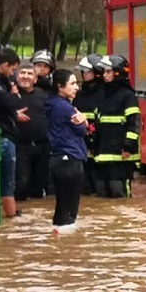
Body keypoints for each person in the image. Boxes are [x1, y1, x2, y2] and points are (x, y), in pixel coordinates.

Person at [45, 69, 88, 232]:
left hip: (58, 159)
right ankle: (67, 248)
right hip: (69, 159)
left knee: (62, 207)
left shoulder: (52, 104)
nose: (76, 87)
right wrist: (84, 119)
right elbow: (82, 130)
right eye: (72, 83)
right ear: (60, 87)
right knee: (69, 208)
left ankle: (59, 238)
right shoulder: (64, 107)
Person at [94, 55, 140, 198]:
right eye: (104, 72)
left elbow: (134, 123)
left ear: (118, 72)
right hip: (103, 153)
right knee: (101, 192)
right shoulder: (102, 94)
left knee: (118, 192)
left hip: (121, 156)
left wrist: (128, 147)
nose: (105, 75)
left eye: (108, 72)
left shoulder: (128, 96)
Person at [0, 47, 28, 218]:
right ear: (4, 65)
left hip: (6, 135)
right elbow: (9, 103)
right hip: (4, 138)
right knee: (7, 183)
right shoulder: (2, 86)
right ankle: (11, 216)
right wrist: (14, 95)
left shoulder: (3, 82)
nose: (13, 73)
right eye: (13, 69)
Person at [14, 62, 51, 200]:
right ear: (17, 76)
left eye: (30, 74)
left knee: (39, 188)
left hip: (43, 146)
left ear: (35, 79)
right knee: (21, 185)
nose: (26, 76)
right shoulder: (9, 95)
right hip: (20, 146)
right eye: (22, 73)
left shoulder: (44, 95)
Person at [74, 54, 105, 195]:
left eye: (87, 71)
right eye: (83, 72)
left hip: (100, 144)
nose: (84, 75)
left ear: (97, 73)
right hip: (82, 141)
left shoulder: (105, 93)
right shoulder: (80, 94)